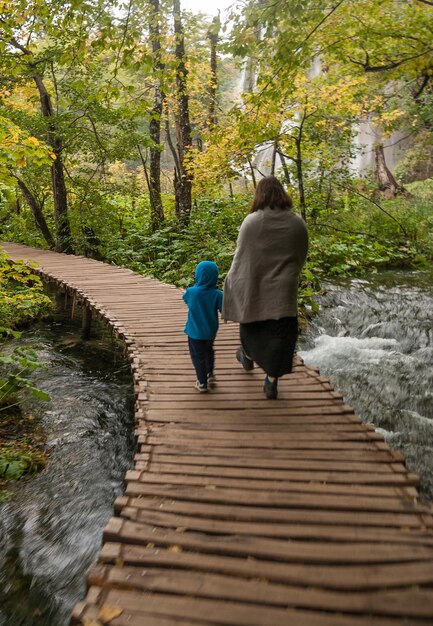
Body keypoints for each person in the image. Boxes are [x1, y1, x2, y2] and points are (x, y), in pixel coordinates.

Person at [222, 176, 308, 399]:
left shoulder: (252, 222)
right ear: (282, 194)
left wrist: (233, 282)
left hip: (255, 287)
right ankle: (271, 380)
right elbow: (301, 255)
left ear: (259, 194)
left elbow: (242, 257)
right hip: (283, 289)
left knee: (252, 326)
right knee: (280, 335)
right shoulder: (297, 222)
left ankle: (248, 355)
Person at [183, 260, 223, 393]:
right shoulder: (218, 294)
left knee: (197, 357)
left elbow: (185, 299)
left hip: (195, 332)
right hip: (210, 331)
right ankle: (210, 374)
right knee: (209, 350)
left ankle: (202, 383)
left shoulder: (192, 292)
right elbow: (223, 309)